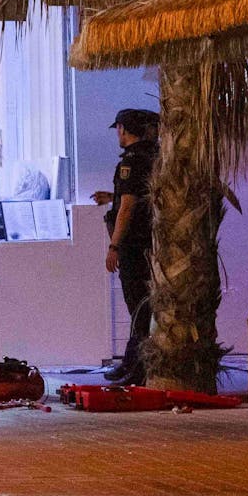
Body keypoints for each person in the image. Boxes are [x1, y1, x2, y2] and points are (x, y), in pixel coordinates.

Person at [93, 108, 159, 386]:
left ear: (123, 129)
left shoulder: (130, 162)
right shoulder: (152, 157)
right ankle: (132, 363)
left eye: (118, 129)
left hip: (133, 244)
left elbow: (129, 207)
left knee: (137, 305)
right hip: (150, 242)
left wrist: (114, 245)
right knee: (142, 305)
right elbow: (139, 195)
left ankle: (138, 367)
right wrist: (113, 196)